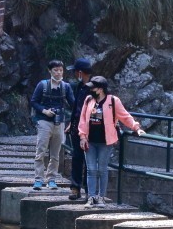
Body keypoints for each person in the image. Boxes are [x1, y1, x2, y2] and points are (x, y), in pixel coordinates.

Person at [76, 76, 145, 208]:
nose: (90, 89)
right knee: (91, 170)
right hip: (90, 141)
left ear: (100, 89)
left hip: (105, 142)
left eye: (93, 87)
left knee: (102, 169)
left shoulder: (113, 101)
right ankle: (91, 197)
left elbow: (125, 116)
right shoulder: (89, 100)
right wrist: (82, 136)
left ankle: (101, 197)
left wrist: (136, 128)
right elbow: (83, 119)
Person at [29, 60, 75, 190]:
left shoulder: (66, 87)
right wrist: (44, 111)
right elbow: (34, 101)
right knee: (41, 150)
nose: (59, 72)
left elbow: (73, 104)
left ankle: (51, 179)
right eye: (56, 70)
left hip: (59, 122)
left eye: (60, 70)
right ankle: (38, 179)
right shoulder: (42, 85)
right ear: (50, 71)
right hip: (44, 121)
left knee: (55, 153)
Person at [64, 57, 95, 200]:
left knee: (89, 160)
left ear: (80, 72)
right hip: (77, 126)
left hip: (90, 128)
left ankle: (90, 190)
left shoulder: (95, 87)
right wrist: (72, 123)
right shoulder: (78, 86)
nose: (75, 74)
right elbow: (76, 107)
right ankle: (75, 188)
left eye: (76, 72)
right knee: (77, 157)